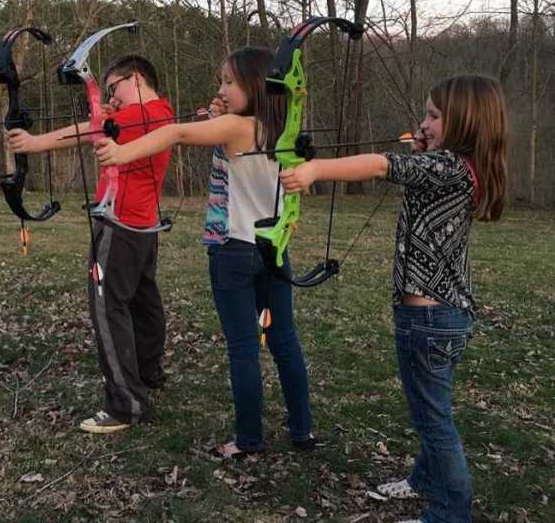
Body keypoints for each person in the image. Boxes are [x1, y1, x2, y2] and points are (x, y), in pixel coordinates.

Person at [280, 75, 508, 523]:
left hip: (428, 320)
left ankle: (451, 512)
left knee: (433, 420)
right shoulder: (458, 168)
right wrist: (424, 149)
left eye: (434, 116)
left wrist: (315, 170)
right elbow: (413, 172)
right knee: (430, 409)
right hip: (443, 315)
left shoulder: (446, 169)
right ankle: (424, 479)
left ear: (465, 121)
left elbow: (383, 166)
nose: (423, 123)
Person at [95, 46, 316, 457]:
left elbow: (177, 133)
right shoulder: (284, 128)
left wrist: (122, 152)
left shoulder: (236, 127)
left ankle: (248, 440)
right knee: (284, 341)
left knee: (244, 348)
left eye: (230, 81)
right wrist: (219, 118)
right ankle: (302, 431)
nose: (222, 88)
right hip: (275, 249)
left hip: (234, 252)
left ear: (256, 85)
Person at [6, 55, 173, 433]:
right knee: (144, 302)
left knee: (107, 307)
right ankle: (147, 374)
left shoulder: (138, 116)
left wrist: (32, 143)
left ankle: (126, 404)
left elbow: (88, 129)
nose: (110, 96)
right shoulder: (161, 112)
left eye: (113, 87)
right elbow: (102, 124)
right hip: (143, 228)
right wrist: (109, 110)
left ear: (136, 78)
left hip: (119, 225)